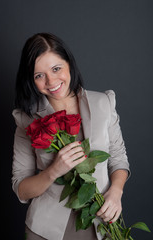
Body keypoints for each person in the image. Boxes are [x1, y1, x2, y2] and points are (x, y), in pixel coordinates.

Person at [12, 32, 130, 240]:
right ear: (31, 79)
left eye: (56, 69)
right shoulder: (26, 119)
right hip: (46, 230)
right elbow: (21, 189)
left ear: (69, 64)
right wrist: (53, 171)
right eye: (39, 75)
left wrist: (116, 191)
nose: (51, 81)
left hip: (103, 223)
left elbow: (118, 158)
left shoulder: (103, 102)